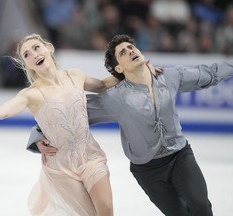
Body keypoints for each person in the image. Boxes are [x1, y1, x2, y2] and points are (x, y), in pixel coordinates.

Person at [27, 34, 233, 216]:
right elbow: (70, 114)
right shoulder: (115, 98)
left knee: (201, 207)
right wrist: (37, 137)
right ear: (119, 68)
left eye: (131, 47)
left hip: (180, 156)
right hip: (148, 171)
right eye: (123, 53)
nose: (130, 51)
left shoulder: (169, 77)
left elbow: (210, 73)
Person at [0, 33, 123, 216]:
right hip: (61, 167)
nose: (34, 54)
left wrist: (133, 69)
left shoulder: (75, 76)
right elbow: (3, 111)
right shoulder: (31, 94)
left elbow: (103, 85)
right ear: (26, 64)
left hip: (90, 156)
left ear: (48, 47)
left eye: (36, 48)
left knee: (106, 210)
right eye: (27, 55)